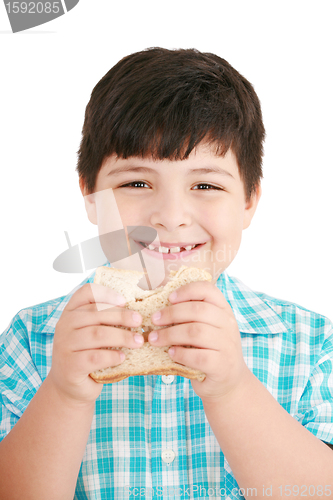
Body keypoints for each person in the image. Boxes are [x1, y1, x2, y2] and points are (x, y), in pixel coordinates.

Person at [0, 47, 332, 500]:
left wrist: (232, 390)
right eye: (136, 183)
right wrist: (63, 394)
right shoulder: (33, 341)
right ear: (91, 195)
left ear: (250, 199)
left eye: (206, 185)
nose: (171, 216)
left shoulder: (308, 343)